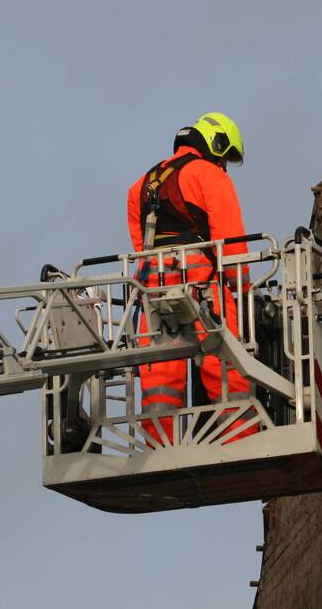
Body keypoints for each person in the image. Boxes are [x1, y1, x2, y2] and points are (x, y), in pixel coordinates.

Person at [126, 112, 257, 446]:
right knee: (226, 366)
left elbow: (141, 248)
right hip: (202, 286)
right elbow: (231, 244)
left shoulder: (139, 187)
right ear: (217, 145)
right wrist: (243, 290)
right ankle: (242, 442)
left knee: (159, 380)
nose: (225, 166)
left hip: (152, 291)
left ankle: (159, 451)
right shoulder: (209, 175)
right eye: (225, 158)